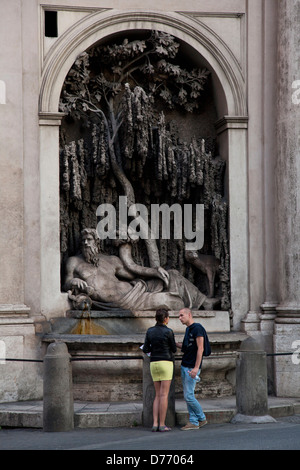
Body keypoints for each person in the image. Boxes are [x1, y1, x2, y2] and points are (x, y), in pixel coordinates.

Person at [64, 228, 211, 311]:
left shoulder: (110, 260)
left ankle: (204, 302)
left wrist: (155, 271)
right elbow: (66, 283)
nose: (85, 243)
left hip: (135, 288)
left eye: (89, 240)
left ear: (96, 242)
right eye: (83, 241)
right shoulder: (74, 261)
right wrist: (73, 282)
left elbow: (133, 271)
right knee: (171, 301)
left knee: (173, 274)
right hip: (124, 302)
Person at [142, 309, 177, 432]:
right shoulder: (169, 331)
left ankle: (155, 423)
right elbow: (173, 349)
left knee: (157, 395)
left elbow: (145, 348)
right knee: (164, 395)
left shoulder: (150, 331)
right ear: (166, 318)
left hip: (154, 363)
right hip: (166, 363)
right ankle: (162, 424)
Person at [176, 307, 208, 431]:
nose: (179, 318)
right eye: (179, 316)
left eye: (181, 315)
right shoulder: (188, 329)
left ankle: (201, 418)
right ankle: (193, 422)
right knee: (188, 395)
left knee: (189, 396)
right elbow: (186, 347)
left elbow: (201, 348)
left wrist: (196, 368)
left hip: (191, 367)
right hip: (185, 364)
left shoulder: (197, 328)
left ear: (189, 315)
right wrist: (172, 343)